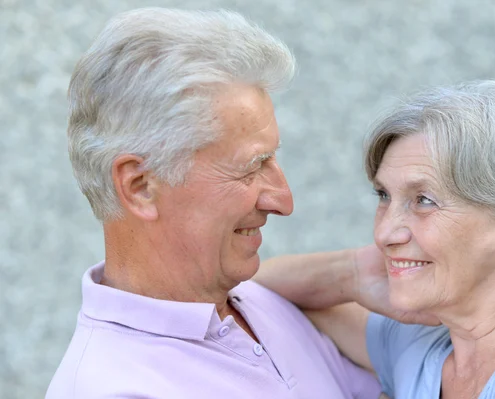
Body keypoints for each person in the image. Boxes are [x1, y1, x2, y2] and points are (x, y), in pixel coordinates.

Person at [46, 8, 383, 399]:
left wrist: (348, 275)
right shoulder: (113, 389)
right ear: (140, 186)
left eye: (273, 158)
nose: (283, 200)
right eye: (251, 167)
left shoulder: (261, 302)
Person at [254, 80, 495, 398]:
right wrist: (353, 273)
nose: (385, 233)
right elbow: (251, 291)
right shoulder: (427, 343)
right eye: (384, 197)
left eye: (424, 201)